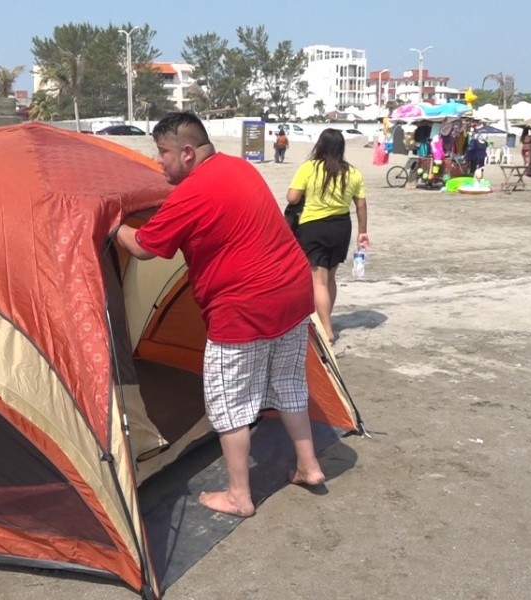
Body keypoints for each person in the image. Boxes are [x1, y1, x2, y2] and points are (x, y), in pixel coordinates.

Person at [116, 112, 325, 518]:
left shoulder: (191, 192)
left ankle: (238, 495)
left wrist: (113, 228)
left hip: (244, 306)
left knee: (229, 400)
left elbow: (144, 246)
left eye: (162, 153)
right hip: (294, 292)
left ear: (188, 153)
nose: (159, 162)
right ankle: (309, 466)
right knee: (288, 382)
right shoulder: (238, 167)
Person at [286, 128, 369, 345]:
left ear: (320, 145)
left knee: (317, 281)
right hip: (342, 228)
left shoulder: (309, 168)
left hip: (314, 227)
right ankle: (325, 321)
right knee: (330, 278)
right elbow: (361, 205)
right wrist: (363, 232)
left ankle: (326, 331)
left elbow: (292, 198)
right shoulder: (353, 173)